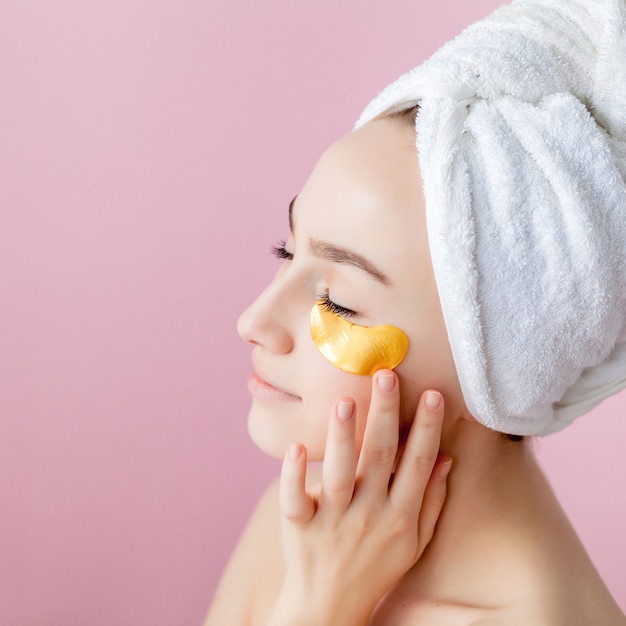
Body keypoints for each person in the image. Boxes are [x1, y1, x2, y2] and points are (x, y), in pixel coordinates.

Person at [205, 0, 626, 624]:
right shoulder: (308, 526)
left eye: (338, 303)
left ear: (498, 359)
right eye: (285, 251)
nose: (253, 321)